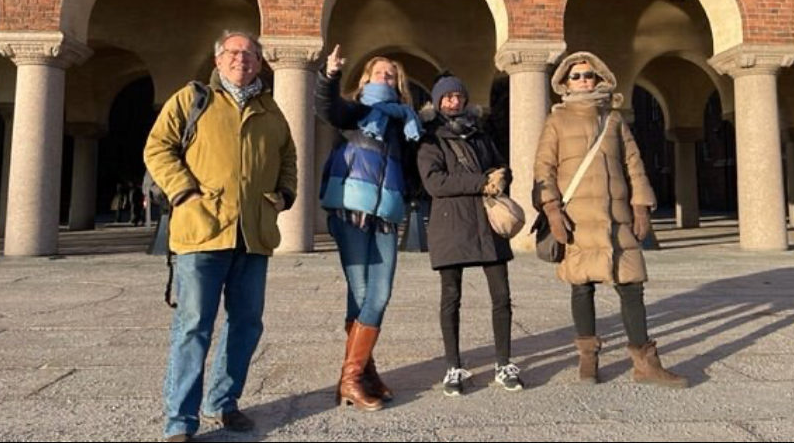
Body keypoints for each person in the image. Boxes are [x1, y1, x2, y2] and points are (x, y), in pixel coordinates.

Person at [144, 31, 298, 442]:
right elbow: (158, 148)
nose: (242, 59)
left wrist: (282, 196)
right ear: (218, 60)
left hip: (254, 233)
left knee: (246, 324)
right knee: (194, 325)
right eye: (233, 52)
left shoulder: (271, 109)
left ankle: (223, 402)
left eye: (250, 54)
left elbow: (288, 157)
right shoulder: (193, 99)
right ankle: (180, 421)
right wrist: (185, 191)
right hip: (203, 231)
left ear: (260, 63)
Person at [532, 51, 688, 388]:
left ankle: (645, 363)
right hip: (577, 217)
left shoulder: (614, 120)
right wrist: (552, 210)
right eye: (576, 76)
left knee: (632, 287)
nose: (583, 80)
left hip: (617, 217)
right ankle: (588, 357)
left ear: (599, 77)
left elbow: (634, 163)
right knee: (582, 286)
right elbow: (544, 167)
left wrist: (641, 206)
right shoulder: (556, 119)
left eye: (588, 74)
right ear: (564, 82)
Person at [316, 45, 421, 411]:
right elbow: (327, 108)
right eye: (379, 73)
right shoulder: (356, 111)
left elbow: (412, 168)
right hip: (351, 209)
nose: (385, 78)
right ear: (366, 78)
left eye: (391, 75)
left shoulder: (403, 123)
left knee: (378, 293)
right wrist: (329, 75)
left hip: (387, 213)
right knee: (365, 295)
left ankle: (359, 372)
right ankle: (353, 378)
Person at [417, 73, 524, 396]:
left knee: (502, 297)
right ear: (438, 102)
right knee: (451, 298)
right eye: (447, 98)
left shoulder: (480, 134)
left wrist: (503, 175)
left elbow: (500, 165)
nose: (454, 102)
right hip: (451, 226)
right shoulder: (430, 139)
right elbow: (435, 183)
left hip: (487, 225)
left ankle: (503, 363)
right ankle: (453, 366)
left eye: (458, 96)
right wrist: (481, 182)